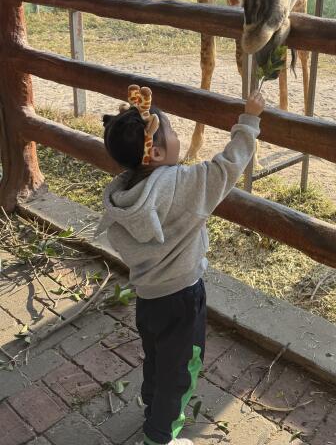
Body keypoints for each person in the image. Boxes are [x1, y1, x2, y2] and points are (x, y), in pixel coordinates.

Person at [96, 84, 264, 445]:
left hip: (148, 296)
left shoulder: (123, 194)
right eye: (171, 133)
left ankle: (152, 402)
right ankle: (161, 435)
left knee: (158, 355)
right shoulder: (183, 185)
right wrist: (249, 120)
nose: (178, 137)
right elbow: (227, 166)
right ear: (155, 152)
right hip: (183, 296)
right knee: (182, 371)